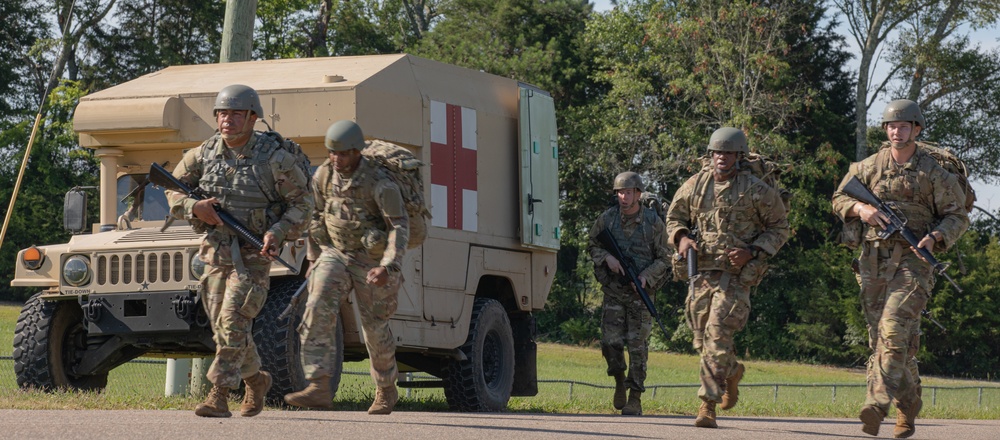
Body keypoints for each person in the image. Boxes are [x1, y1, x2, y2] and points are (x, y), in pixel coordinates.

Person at [165, 84, 314, 418]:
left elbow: (304, 205)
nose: (227, 120)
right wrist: (193, 206)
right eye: (221, 113)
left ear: (252, 117)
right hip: (215, 252)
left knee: (234, 318)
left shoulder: (275, 159)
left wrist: (278, 232)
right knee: (222, 325)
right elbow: (172, 190)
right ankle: (256, 380)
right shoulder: (203, 154)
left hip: (253, 254)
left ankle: (219, 394)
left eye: (235, 113)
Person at [832, 99, 968, 438]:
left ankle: (876, 405)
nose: (897, 131)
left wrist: (935, 237)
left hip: (915, 262)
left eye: (904, 126)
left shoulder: (933, 173)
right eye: (892, 126)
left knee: (893, 331)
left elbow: (957, 216)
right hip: (873, 261)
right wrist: (860, 210)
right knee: (886, 342)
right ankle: (909, 405)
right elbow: (838, 198)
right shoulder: (868, 166)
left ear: (917, 130)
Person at [665, 127, 789, 428]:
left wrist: (752, 250)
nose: (722, 158)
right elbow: (674, 218)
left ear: (738, 156)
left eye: (729, 153)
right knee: (701, 340)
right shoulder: (696, 185)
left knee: (717, 334)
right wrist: (681, 238)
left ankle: (707, 405)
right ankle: (731, 371)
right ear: (711, 154)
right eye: (718, 152)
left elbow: (780, 228)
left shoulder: (756, 189)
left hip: (735, 277)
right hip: (701, 273)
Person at [284, 120, 409, 415]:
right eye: (331, 153)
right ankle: (318, 385)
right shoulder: (324, 176)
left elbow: (398, 228)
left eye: (342, 154)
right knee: (315, 305)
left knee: (374, 329)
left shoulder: (380, 183)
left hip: (373, 260)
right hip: (336, 253)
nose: (336, 159)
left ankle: (386, 389)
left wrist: (388, 267)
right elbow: (315, 217)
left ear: (356, 151)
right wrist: (314, 258)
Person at [587, 171, 671, 416]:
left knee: (637, 346)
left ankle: (635, 397)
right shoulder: (607, 219)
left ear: (638, 194)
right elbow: (592, 244)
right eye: (620, 192)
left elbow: (665, 258)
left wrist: (645, 277)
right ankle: (618, 381)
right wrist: (608, 257)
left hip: (640, 294)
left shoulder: (653, 222)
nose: (623, 197)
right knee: (610, 343)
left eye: (628, 192)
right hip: (614, 291)